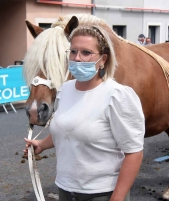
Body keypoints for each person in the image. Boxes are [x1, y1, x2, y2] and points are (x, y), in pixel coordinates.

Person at [24, 25, 145, 201]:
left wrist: (117, 198)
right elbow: (68, 128)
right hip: (66, 189)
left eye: (86, 53)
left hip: (102, 193)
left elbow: (134, 153)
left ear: (103, 59)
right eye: (73, 51)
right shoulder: (64, 90)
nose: (77, 58)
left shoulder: (117, 96)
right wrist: (42, 144)